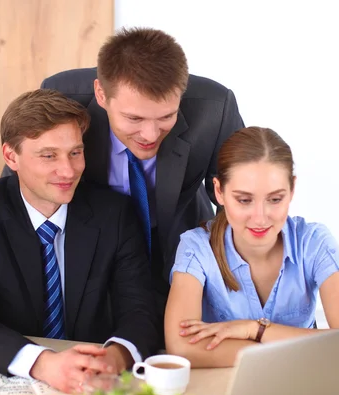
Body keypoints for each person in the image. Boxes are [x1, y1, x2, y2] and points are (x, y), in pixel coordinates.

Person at [0, 89, 159, 394]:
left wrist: (113, 358)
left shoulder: (115, 212)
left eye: (75, 152)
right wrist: (45, 364)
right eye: (48, 156)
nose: (68, 171)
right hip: (19, 382)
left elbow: (140, 312)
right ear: (11, 156)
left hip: (94, 385)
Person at [36, 27, 245, 327]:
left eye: (165, 118)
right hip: (89, 246)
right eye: (134, 118)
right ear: (101, 94)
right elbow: (22, 194)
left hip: (176, 244)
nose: (150, 135)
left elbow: (239, 200)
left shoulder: (216, 107)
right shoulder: (60, 97)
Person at [164, 127, 339, 368]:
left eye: (275, 199)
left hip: (304, 387)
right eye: (244, 200)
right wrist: (306, 347)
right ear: (219, 191)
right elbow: (182, 347)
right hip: (225, 391)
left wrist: (255, 330)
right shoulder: (196, 247)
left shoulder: (314, 242)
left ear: (292, 190)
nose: (260, 218)